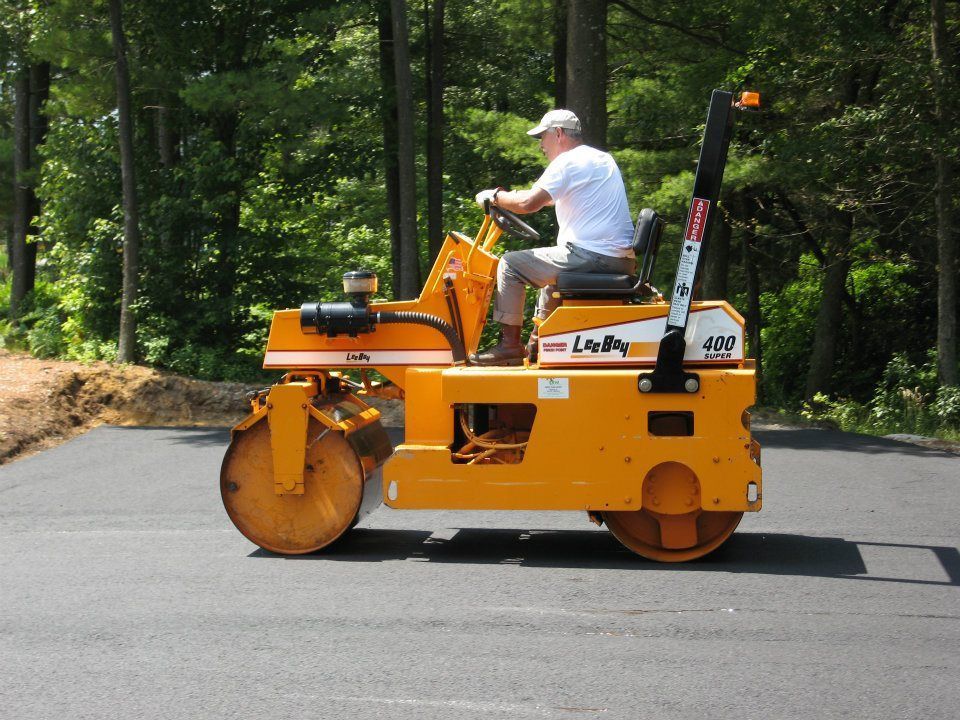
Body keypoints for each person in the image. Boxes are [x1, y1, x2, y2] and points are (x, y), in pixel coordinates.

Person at [471, 109, 636, 365]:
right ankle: (537, 347)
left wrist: (493, 197)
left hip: (593, 256)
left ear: (558, 133)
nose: (540, 146)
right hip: (619, 259)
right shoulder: (603, 159)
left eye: (542, 138)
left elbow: (527, 203)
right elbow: (546, 198)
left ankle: (510, 346)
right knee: (551, 283)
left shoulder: (567, 162)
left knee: (511, 264)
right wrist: (511, 199)